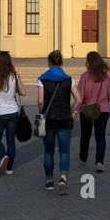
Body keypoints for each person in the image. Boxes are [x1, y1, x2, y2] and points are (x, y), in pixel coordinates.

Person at [37, 50, 79, 194]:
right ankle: (63, 178)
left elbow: (40, 101)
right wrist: (71, 110)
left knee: (48, 152)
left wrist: (42, 112)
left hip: (49, 120)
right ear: (62, 63)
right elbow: (79, 99)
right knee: (64, 151)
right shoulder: (69, 79)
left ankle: (49, 181)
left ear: (49, 63)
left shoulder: (42, 79)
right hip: (65, 119)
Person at [75, 51, 110, 172]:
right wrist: (104, 104)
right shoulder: (105, 77)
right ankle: (100, 161)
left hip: (87, 110)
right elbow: (108, 94)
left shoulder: (85, 76)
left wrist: (76, 110)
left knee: (85, 135)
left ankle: (83, 157)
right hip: (103, 109)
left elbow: (80, 95)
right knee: (100, 136)